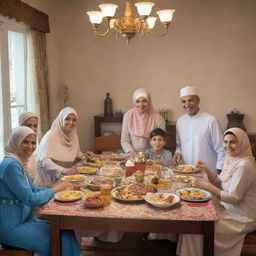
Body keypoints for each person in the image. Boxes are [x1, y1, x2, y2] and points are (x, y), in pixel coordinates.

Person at [0, 126, 81, 256]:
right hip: (11, 227)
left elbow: (33, 189)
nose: (30, 146)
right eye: (25, 142)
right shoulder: (11, 165)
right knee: (60, 238)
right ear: (15, 141)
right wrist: (55, 189)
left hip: (24, 219)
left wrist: (61, 187)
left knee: (65, 231)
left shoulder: (18, 162)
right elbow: (31, 199)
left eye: (33, 142)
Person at [177, 127, 256, 256]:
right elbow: (220, 181)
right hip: (228, 208)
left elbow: (234, 198)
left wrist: (205, 185)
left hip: (241, 217)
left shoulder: (244, 166)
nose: (227, 146)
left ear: (242, 142)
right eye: (225, 142)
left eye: (233, 142)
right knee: (192, 217)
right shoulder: (233, 159)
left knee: (196, 227)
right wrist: (206, 169)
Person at [173, 86, 225, 173]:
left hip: (209, 172)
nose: (187, 104)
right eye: (183, 101)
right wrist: (177, 153)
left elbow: (221, 148)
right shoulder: (180, 121)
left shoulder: (211, 120)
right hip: (186, 171)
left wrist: (220, 170)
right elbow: (179, 145)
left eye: (190, 100)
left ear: (198, 101)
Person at [36, 107, 93, 184]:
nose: (71, 122)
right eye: (67, 119)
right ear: (61, 119)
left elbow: (75, 152)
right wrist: (64, 170)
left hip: (65, 173)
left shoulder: (72, 133)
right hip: (49, 177)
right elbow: (45, 162)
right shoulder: (51, 135)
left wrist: (85, 156)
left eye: (74, 120)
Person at [121, 88, 166, 157]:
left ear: (149, 101)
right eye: (137, 101)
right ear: (134, 102)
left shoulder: (158, 118)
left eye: (144, 101)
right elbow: (124, 140)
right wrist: (134, 154)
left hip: (152, 157)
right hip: (131, 155)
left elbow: (161, 141)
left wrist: (148, 155)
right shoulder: (128, 116)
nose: (141, 104)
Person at [19, 111, 40, 183]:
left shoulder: (33, 146)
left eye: (35, 126)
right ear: (21, 126)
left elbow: (35, 184)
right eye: (29, 125)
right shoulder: (16, 147)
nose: (32, 129)